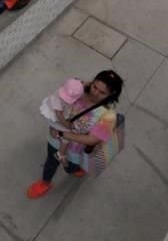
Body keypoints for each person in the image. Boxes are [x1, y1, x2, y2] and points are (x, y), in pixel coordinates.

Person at [27, 70, 124, 199]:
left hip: (75, 149)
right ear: (92, 81)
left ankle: (74, 169)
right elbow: (59, 96)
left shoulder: (108, 116)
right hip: (55, 140)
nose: (95, 93)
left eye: (102, 92)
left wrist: (63, 133)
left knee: (70, 167)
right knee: (51, 160)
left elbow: (91, 140)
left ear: (111, 94)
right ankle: (45, 182)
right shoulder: (78, 89)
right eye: (95, 87)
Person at [39, 78, 85, 166]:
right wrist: (67, 125)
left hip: (51, 113)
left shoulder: (65, 87)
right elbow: (59, 115)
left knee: (54, 126)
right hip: (53, 117)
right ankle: (61, 153)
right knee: (68, 133)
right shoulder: (57, 100)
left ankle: (53, 132)